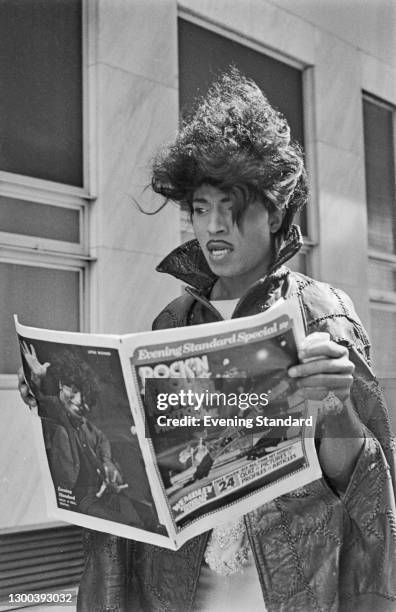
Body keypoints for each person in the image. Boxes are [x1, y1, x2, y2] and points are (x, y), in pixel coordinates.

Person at [19, 69, 396, 611]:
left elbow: (365, 493)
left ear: (274, 211)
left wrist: (336, 408)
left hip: (288, 594)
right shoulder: (172, 321)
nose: (214, 225)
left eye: (232, 206)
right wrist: (60, 403)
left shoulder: (323, 314)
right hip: (178, 593)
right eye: (200, 208)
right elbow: (132, 471)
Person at [21, 342, 145, 527]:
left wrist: (107, 462)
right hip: (82, 501)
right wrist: (36, 380)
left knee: (143, 517)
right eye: (74, 390)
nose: (79, 401)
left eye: (83, 394)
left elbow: (102, 439)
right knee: (131, 525)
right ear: (61, 385)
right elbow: (43, 402)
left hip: (104, 495)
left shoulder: (87, 425)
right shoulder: (56, 411)